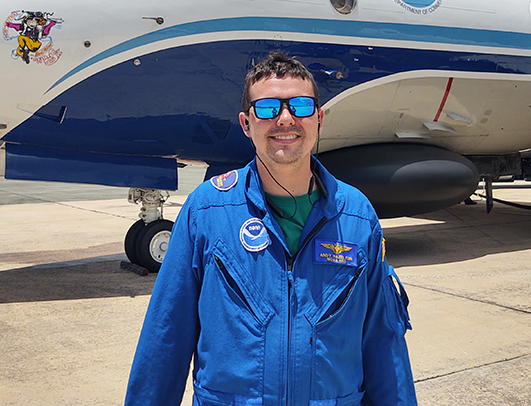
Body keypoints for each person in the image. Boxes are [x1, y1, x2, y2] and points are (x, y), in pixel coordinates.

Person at [125, 51, 417, 406]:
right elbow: (165, 338)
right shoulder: (207, 211)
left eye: (301, 107)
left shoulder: (356, 216)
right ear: (246, 124)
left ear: (319, 119)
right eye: (266, 109)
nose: (285, 119)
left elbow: (384, 345)